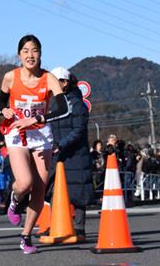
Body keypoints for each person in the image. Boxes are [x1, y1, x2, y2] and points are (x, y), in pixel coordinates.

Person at [0, 35, 70, 254]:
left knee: (40, 188)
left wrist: (38, 119)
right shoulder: (10, 77)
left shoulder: (48, 79)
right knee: (25, 182)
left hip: (40, 134)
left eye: (35, 50)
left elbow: (64, 109)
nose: (31, 55)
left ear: (40, 54)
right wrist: (3, 110)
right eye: (26, 51)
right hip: (17, 132)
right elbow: (0, 102)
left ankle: (26, 236)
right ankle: (15, 197)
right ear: (19, 54)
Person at [49, 67, 95, 241]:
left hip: (75, 153)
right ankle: (57, 225)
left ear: (64, 83)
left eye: (56, 81)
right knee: (55, 191)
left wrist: (61, 145)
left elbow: (78, 130)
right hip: (58, 151)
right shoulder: (54, 103)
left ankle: (79, 228)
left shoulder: (77, 104)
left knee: (78, 191)